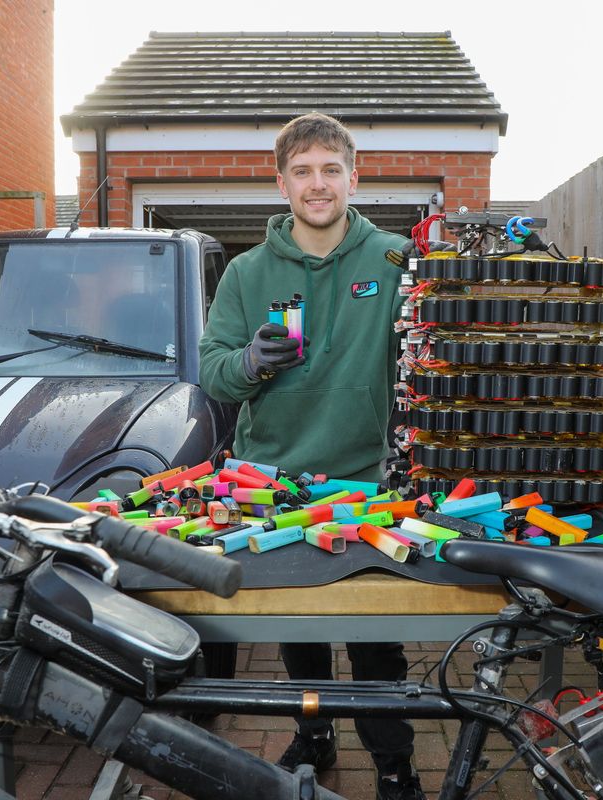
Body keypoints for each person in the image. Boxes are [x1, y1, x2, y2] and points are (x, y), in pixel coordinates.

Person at [198, 112, 424, 800]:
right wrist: (249, 361)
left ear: (354, 179)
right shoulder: (246, 271)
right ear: (281, 183)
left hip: (363, 481)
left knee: (374, 639)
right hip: (272, 482)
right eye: (302, 171)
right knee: (298, 627)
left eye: (331, 170)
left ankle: (394, 765)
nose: (317, 184)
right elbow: (212, 373)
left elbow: (426, 354)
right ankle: (316, 731)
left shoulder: (392, 260)